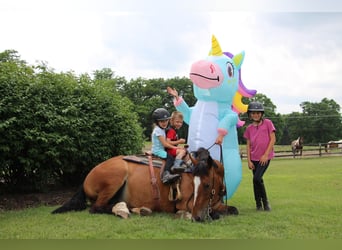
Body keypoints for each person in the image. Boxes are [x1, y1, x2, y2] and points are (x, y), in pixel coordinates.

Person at [243, 101, 276, 211]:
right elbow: (248, 146)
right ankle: (258, 204)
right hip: (254, 158)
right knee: (256, 180)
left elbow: (273, 139)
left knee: (257, 178)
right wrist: (249, 161)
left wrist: (265, 155)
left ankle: (265, 203)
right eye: (253, 113)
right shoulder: (249, 129)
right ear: (250, 115)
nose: (255, 115)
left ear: (261, 114)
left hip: (265, 157)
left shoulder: (268, 123)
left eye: (258, 113)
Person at [151, 108, 180, 184]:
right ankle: (166, 175)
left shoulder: (162, 129)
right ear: (157, 122)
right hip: (158, 151)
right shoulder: (157, 130)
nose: (164, 123)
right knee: (170, 158)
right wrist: (176, 147)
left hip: (161, 150)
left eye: (166, 120)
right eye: (162, 121)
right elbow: (165, 144)